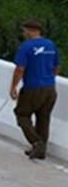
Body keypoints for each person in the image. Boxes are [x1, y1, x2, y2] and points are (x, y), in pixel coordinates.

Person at [10, 19, 60, 160]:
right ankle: (41, 151)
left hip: (32, 87)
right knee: (43, 118)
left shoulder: (26, 47)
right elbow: (57, 66)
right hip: (50, 88)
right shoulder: (51, 45)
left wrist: (13, 87)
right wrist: (48, 79)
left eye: (24, 30)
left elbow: (20, 68)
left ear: (30, 30)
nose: (24, 33)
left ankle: (36, 143)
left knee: (22, 114)